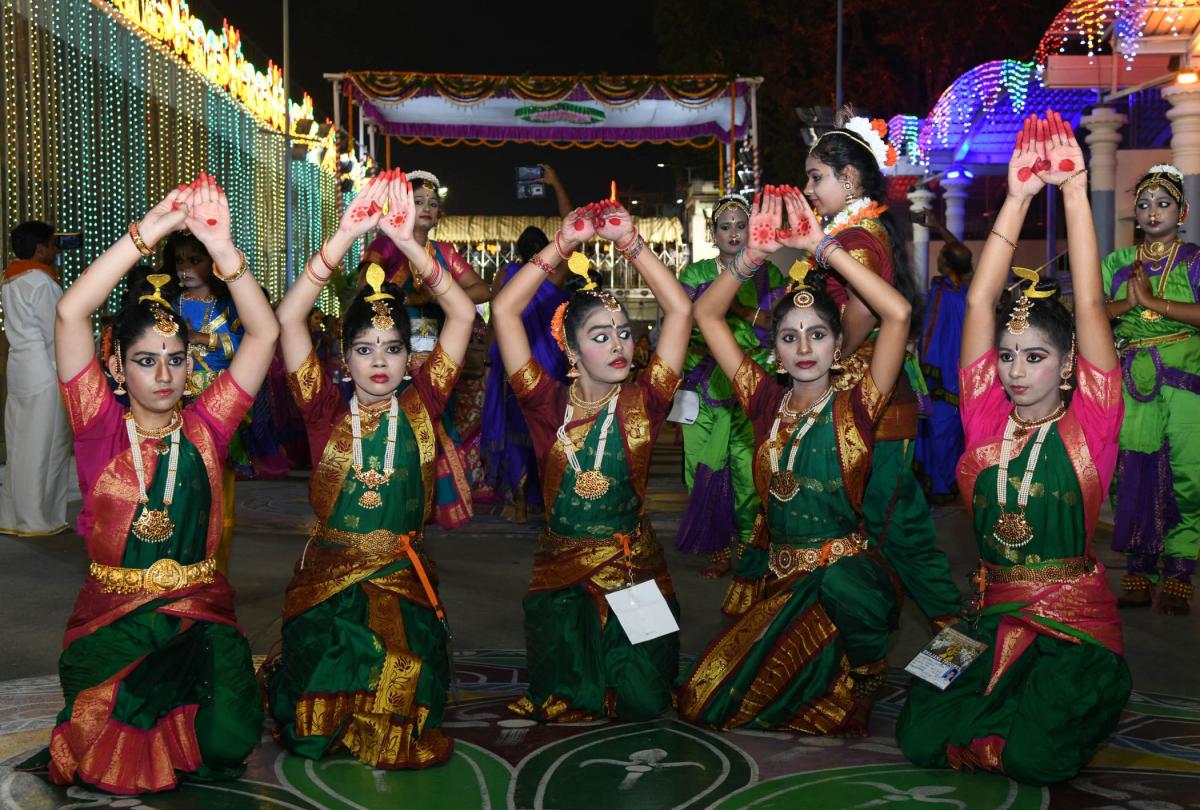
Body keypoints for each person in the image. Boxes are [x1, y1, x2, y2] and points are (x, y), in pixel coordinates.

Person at [896, 112, 1130, 785]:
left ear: (1067, 368)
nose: (1016, 369)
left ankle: (1093, 690)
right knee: (917, 734)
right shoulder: (986, 418)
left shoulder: (1092, 423)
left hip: (1072, 621)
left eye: (1034, 356)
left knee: (1033, 759)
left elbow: (1089, 302)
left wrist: (1076, 192)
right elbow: (978, 306)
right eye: (1007, 357)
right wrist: (1021, 194)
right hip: (988, 610)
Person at [24, 176, 278, 793]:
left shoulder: (209, 425)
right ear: (115, 366)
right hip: (115, 620)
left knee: (229, 742)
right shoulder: (97, 426)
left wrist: (225, 255)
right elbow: (70, 311)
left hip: (198, 614)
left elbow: (265, 333)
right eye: (145, 360)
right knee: (110, 755)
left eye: (176, 357)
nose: (163, 374)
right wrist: (151, 231)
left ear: (193, 364)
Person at [676, 186, 927, 736]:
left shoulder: (859, 405)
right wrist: (754, 255)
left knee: (820, 698)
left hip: (846, 582)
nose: (805, 348)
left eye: (818, 335)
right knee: (704, 700)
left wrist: (821, 247)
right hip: (783, 584)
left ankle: (863, 672)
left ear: (839, 347)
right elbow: (706, 313)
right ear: (776, 351)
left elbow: (898, 311)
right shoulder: (765, 401)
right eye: (790, 338)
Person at [267, 170, 476, 768]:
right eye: (364, 348)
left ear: (412, 358)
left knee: (408, 700)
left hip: (403, 579)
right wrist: (343, 238)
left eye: (391, 348)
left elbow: (460, 315)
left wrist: (409, 242)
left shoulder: (424, 402)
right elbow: (288, 321)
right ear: (343, 356)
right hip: (329, 583)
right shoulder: (323, 408)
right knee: (312, 730)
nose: (378, 361)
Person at [491, 200, 690, 722]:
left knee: (646, 700)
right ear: (572, 354)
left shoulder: (645, 400)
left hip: (634, 573)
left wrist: (631, 243)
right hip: (564, 582)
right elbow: (504, 311)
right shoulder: (545, 403)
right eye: (601, 337)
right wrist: (562, 244)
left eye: (623, 332)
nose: (620, 345)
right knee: (569, 698)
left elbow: (682, 311)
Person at [779, 112, 962, 628]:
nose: (809, 188)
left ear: (849, 178)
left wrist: (820, 364)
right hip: (863, 397)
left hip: (871, 402)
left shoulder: (857, 239)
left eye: (816, 177)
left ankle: (959, 642)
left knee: (893, 521)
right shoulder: (853, 232)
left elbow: (860, 313)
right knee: (866, 520)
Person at [361, 170, 490, 528]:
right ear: (402, 206)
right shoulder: (387, 246)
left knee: (433, 425)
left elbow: (481, 290)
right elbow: (364, 284)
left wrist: (438, 292)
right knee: (395, 427)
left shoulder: (444, 253)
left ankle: (425, 503)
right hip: (392, 353)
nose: (427, 208)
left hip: (436, 356)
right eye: (418, 201)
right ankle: (387, 499)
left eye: (433, 203)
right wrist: (396, 292)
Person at [1102, 164, 1200, 615]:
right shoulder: (1118, 264)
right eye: (1144, 204)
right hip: (1133, 381)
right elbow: (1096, 311)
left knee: (1187, 477)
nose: (1152, 211)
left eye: (1163, 203)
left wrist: (1156, 304)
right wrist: (1131, 302)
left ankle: (1179, 574)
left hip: (1184, 385)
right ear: (1135, 215)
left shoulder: (1195, 259)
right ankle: (1139, 571)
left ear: (1181, 212)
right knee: (1133, 477)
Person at [677, 194, 787, 579]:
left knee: (746, 467)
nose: (734, 233)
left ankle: (748, 542)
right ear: (714, 233)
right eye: (726, 227)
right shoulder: (694, 274)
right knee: (699, 467)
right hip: (700, 381)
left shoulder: (769, 275)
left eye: (742, 226)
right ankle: (718, 547)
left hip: (749, 382)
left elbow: (775, 327)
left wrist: (730, 305)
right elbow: (687, 321)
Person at [164, 223, 248, 572]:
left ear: (210, 261)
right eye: (179, 260)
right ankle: (173, 564)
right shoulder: (168, 304)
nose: (185, 268)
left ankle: (216, 569)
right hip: (174, 404)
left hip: (218, 403)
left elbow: (246, 347)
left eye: (194, 260)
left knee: (218, 488)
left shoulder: (229, 306)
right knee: (174, 484)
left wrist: (200, 338)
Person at [482, 226, 570, 524]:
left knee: (514, 435)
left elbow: (495, 318)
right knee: (549, 434)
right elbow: (570, 236)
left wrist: (487, 357)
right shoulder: (554, 276)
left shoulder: (506, 275)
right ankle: (548, 502)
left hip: (513, 365)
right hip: (551, 370)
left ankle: (520, 506)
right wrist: (556, 182)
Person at [0, 221, 71, 536]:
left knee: (20, 445)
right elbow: (54, 335)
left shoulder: (10, 280)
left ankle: (12, 517)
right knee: (46, 445)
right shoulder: (42, 283)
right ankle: (38, 519)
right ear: (41, 248)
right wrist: (68, 373)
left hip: (18, 367)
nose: (56, 251)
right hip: (44, 369)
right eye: (52, 244)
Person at [915, 210, 973, 503]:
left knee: (939, 429)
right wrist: (938, 225)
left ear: (946, 263)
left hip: (940, 373)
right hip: (960, 373)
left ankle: (940, 487)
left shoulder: (946, 291)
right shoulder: (972, 290)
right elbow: (965, 256)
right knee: (947, 429)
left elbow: (930, 335)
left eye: (943, 256)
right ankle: (946, 483)